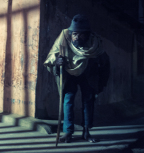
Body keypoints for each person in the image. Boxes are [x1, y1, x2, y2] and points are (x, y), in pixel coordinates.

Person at [44, 14, 110, 143]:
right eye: (74, 34)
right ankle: (68, 132)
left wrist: (101, 82)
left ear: (87, 34)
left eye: (80, 34)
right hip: (69, 73)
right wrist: (57, 62)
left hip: (88, 73)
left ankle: (86, 131)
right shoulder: (64, 36)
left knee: (88, 101)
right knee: (68, 100)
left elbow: (105, 63)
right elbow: (52, 55)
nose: (77, 37)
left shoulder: (95, 43)